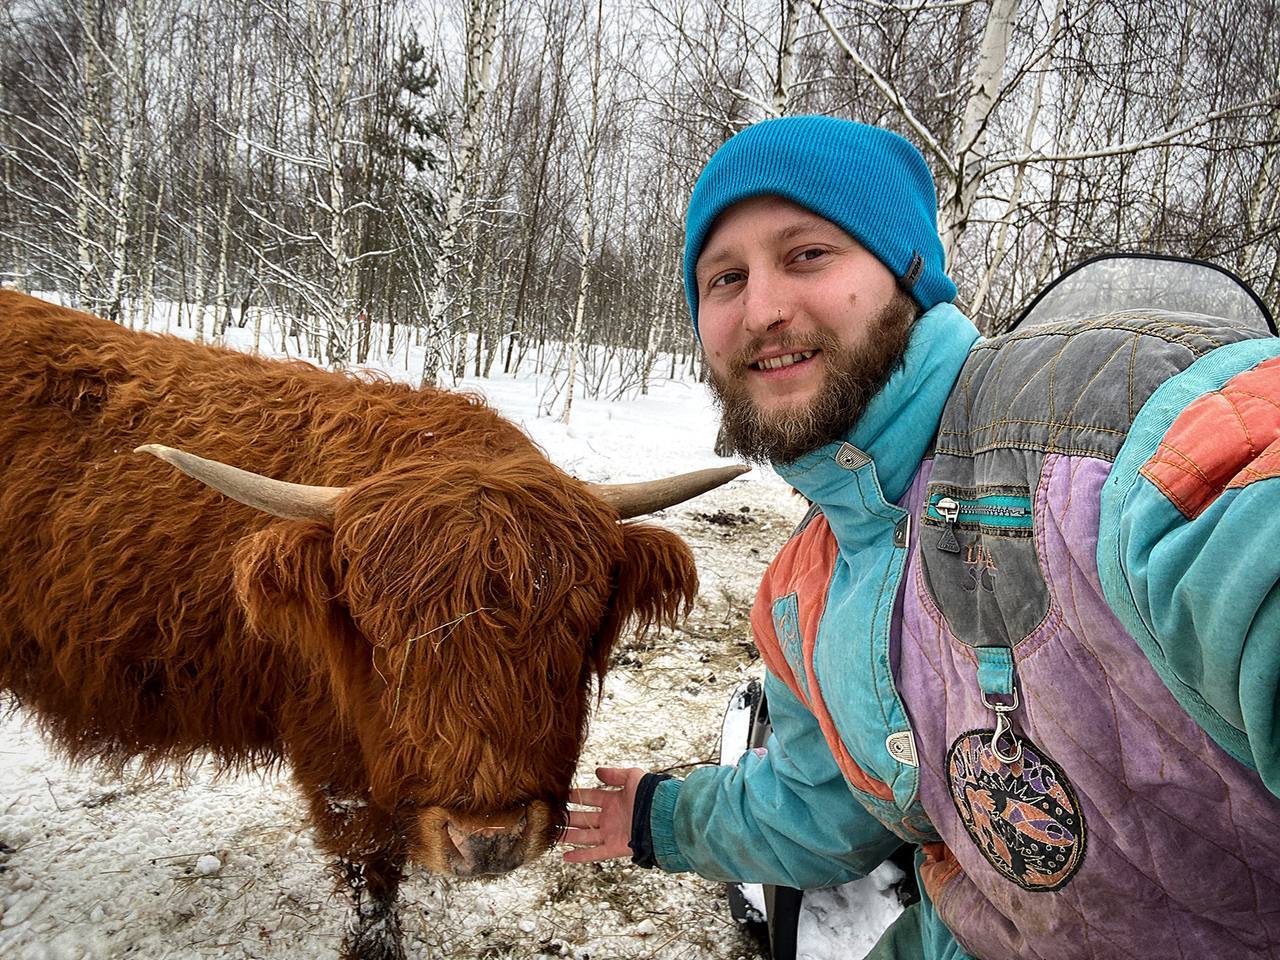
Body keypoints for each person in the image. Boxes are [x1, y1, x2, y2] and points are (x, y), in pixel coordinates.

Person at [561, 114, 1280, 960]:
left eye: (807, 255)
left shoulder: (1113, 431)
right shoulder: (803, 593)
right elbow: (817, 809)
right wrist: (660, 818)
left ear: (908, 268)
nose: (761, 309)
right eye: (723, 278)